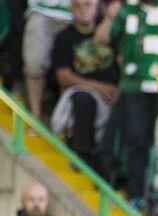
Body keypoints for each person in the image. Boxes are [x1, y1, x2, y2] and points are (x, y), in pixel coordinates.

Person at [95, 0, 158, 205]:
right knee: (136, 140)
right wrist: (110, 17)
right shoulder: (127, 9)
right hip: (134, 87)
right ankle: (136, 193)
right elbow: (101, 38)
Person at [49, 0, 118, 174]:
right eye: (77, 6)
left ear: (96, 7)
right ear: (71, 9)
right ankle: (82, 157)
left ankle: (114, 172)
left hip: (111, 96)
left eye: (87, 5)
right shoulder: (64, 37)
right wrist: (96, 87)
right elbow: (63, 77)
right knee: (83, 98)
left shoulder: (110, 34)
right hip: (78, 92)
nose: (82, 10)